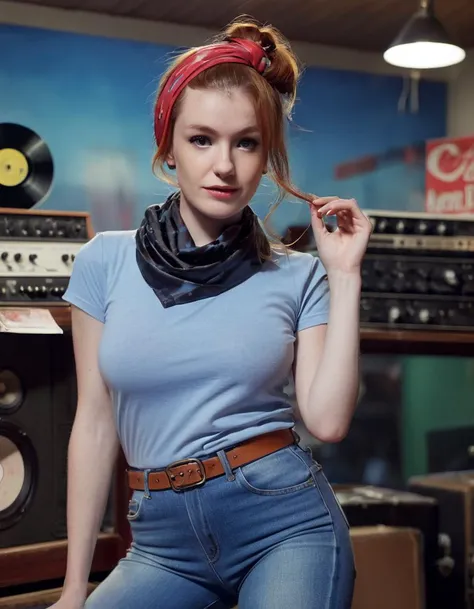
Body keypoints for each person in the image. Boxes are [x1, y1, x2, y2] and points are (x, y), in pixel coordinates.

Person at [52, 16, 371, 609]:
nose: (224, 165)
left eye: (246, 143)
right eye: (201, 139)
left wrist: (344, 273)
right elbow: (95, 424)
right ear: (167, 147)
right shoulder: (104, 262)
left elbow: (327, 422)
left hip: (284, 525)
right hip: (160, 542)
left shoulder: (299, 275)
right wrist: (75, 588)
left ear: (267, 157)